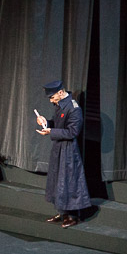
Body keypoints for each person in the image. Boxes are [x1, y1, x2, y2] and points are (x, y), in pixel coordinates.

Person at [35, 80, 91, 228]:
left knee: (68, 182)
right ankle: (62, 212)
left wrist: (51, 132)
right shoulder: (60, 105)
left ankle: (72, 216)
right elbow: (56, 122)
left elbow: (73, 132)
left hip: (69, 150)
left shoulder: (74, 108)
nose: (51, 100)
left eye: (52, 97)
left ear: (60, 92)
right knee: (57, 181)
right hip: (58, 147)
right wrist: (45, 123)